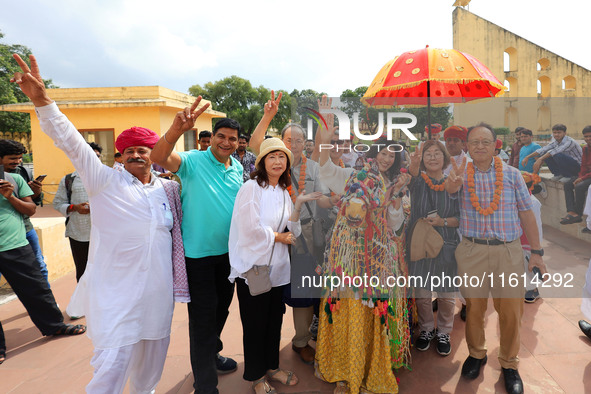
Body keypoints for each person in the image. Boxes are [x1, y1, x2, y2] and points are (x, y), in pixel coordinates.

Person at [12, 53, 188, 392]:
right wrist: (42, 100)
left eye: (144, 149)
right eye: (129, 151)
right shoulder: (104, 181)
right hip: (116, 296)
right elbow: (71, 142)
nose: (137, 155)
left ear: (155, 153)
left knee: (150, 371)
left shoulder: (168, 190)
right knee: (111, 368)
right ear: (118, 156)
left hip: (157, 295)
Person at [151, 101, 246, 393]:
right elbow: (158, 157)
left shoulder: (238, 167)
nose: (226, 142)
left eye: (232, 138)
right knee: (203, 320)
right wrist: (176, 129)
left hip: (229, 256)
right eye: (222, 136)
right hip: (198, 258)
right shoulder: (192, 161)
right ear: (213, 137)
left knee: (220, 313)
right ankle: (205, 385)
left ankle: (211, 354)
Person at [446, 122, 547, 394]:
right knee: (474, 308)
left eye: (485, 141)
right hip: (471, 249)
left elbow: (527, 213)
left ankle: (509, 363)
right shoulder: (459, 175)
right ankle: (476, 354)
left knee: (511, 310)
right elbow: (448, 193)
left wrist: (536, 252)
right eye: (474, 142)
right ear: (467, 146)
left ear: (494, 145)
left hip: (508, 250)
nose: (480, 146)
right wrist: (451, 185)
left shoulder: (513, 175)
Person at [315, 129, 412, 393]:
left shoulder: (397, 185)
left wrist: (396, 196)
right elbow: (325, 171)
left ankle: (371, 367)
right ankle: (347, 372)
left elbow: (396, 223)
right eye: (383, 153)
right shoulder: (355, 174)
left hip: (379, 257)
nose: (387, 160)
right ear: (373, 153)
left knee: (373, 310)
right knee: (350, 306)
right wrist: (323, 136)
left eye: (393, 156)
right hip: (349, 255)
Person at [229, 137, 322, 394]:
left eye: (282, 157)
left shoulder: (282, 191)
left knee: (274, 323)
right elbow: (248, 229)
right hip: (254, 269)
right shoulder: (251, 187)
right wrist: (279, 237)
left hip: (278, 269)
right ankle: (257, 377)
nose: (278, 161)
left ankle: (273, 367)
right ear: (262, 161)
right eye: (272, 156)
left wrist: (300, 203)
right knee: (255, 325)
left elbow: (293, 227)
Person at [249, 92, 332, 365]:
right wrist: (268, 116)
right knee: (287, 293)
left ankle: (304, 338)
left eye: (299, 141)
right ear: (279, 144)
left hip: (308, 237)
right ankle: (290, 344)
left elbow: (322, 199)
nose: (294, 145)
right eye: (289, 140)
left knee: (307, 291)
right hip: (279, 237)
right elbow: (253, 144)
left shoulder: (314, 168)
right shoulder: (274, 165)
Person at [408, 141, 460, 356]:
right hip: (420, 240)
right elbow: (411, 175)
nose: (432, 157)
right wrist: (413, 164)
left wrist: (442, 222)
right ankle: (427, 328)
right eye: (428, 154)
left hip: (446, 242)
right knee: (421, 292)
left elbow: (461, 218)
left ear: (445, 158)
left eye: (437, 153)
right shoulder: (418, 181)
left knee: (446, 294)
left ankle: (444, 331)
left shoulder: (454, 183)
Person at [0, 139, 49, 284]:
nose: (18, 161)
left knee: (39, 266)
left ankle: (43, 303)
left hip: (26, 228)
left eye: (19, 158)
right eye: (13, 158)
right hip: (5, 234)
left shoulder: (23, 172)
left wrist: (37, 191)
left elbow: (32, 204)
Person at [52, 142, 102, 283]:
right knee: (83, 272)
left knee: (107, 271)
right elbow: (58, 203)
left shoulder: (110, 178)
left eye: (96, 156)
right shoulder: (69, 180)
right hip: (79, 233)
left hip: (106, 234)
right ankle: (85, 304)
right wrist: (75, 207)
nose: (93, 159)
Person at [560, 126, 591, 225]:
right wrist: (580, 177)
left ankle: (578, 214)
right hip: (587, 175)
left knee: (580, 187)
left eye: (590, 136)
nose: (588, 139)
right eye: (586, 137)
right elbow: (583, 165)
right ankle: (571, 211)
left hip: (588, 176)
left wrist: (582, 178)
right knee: (568, 184)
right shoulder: (586, 148)